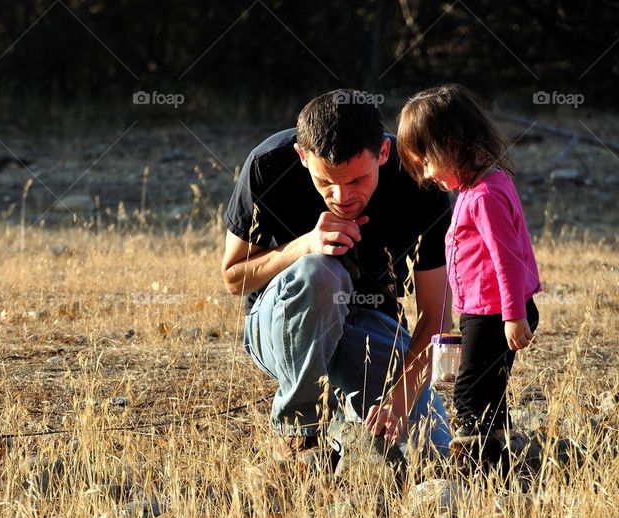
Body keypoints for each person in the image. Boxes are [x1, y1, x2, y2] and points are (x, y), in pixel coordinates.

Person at [221, 88, 454, 461]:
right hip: (281, 325)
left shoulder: (419, 181)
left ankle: (350, 423)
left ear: (383, 152)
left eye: (357, 181)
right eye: (326, 182)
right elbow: (233, 278)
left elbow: (437, 317)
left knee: (429, 451)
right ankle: (302, 433)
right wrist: (304, 246)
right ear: (302, 156)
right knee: (320, 273)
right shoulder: (267, 164)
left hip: (370, 324)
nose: (341, 195)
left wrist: (399, 399)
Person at [396, 84, 541, 453]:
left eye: (426, 161)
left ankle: (474, 466)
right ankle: (501, 459)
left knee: (470, 392)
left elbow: (507, 259)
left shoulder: (486, 195)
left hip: (496, 313)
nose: (425, 174)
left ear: (452, 143)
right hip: (484, 310)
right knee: (488, 388)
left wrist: (514, 315)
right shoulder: (474, 189)